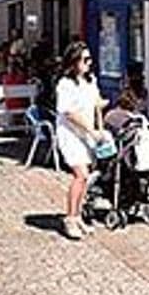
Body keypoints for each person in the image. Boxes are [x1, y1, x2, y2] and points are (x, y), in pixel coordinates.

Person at [55, 41, 108, 241]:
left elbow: (96, 102)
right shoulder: (65, 84)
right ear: (74, 61)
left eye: (90, 59)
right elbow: (69, 112)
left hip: (86, 134)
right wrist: (91, 130)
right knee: (81, 174)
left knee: (86, 176)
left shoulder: (89, 80)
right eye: (85, 59)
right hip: (70, 134)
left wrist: (101, 113)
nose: (89, 63)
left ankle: (77, 216)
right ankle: (70, 218)